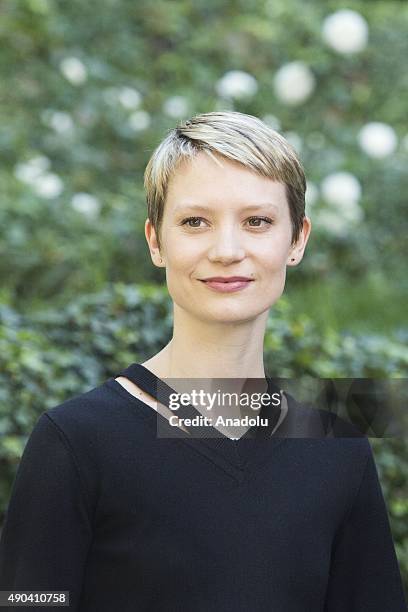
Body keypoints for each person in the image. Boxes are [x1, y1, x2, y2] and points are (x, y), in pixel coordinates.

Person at [0, 111, 406, 611]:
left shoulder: (338, 447)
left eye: (257, 221)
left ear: (297, 240)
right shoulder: (76, 440)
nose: (227, 250)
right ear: (155, 240)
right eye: (196, 222)